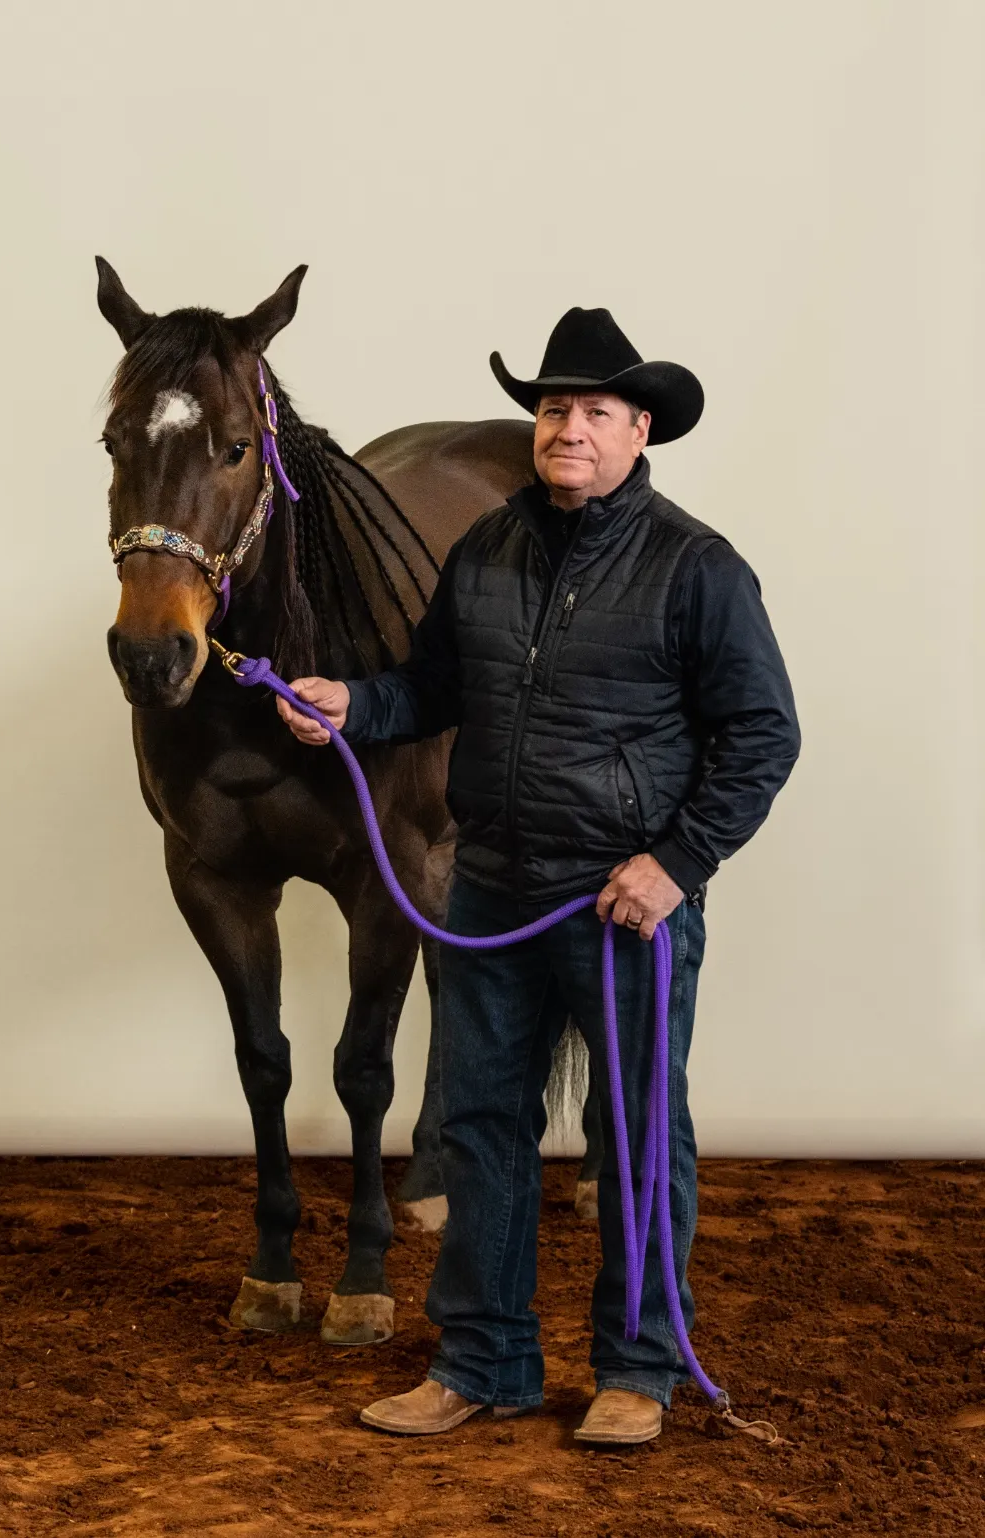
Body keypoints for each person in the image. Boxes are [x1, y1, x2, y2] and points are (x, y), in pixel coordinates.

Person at [277, 307, 801, 1444]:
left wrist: (676, 861)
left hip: (623, 901)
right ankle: (483, 1360)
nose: (568, 427)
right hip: (495, 889)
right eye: (553, 408)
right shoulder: (489, 549)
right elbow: (429, 691)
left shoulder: (696, 566)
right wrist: (350, 706)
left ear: (637, 426)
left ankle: (639, 1367)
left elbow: (763, 734)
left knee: (635, 1133)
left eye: (593, 410)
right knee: (476, 1125)